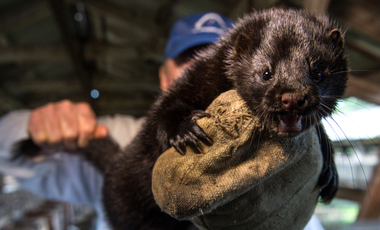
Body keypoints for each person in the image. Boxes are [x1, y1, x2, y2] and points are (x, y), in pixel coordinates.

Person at [0, 12, 325, 230]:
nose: (205, 66)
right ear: (163, 75)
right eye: (190, 59)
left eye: (214, 55)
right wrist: (33, 126)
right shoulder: (122, 130)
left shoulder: (272, 132)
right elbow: (8, 152)